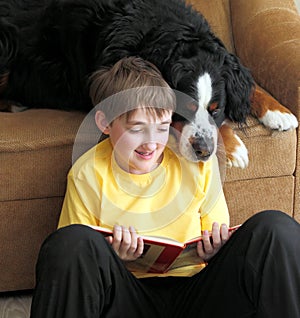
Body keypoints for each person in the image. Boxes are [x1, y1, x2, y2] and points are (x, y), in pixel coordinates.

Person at [30, 57, 300, 318]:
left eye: (161, 128)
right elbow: (80, 263)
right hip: (128, 298)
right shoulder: (86, 172)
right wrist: (116, 256)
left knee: (276, 228)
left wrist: (213, 252)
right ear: (105, 123)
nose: (151, 143)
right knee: (68, 243)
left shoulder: (195, 163)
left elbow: (218, 235)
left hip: (198, 295)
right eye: (137, 129)